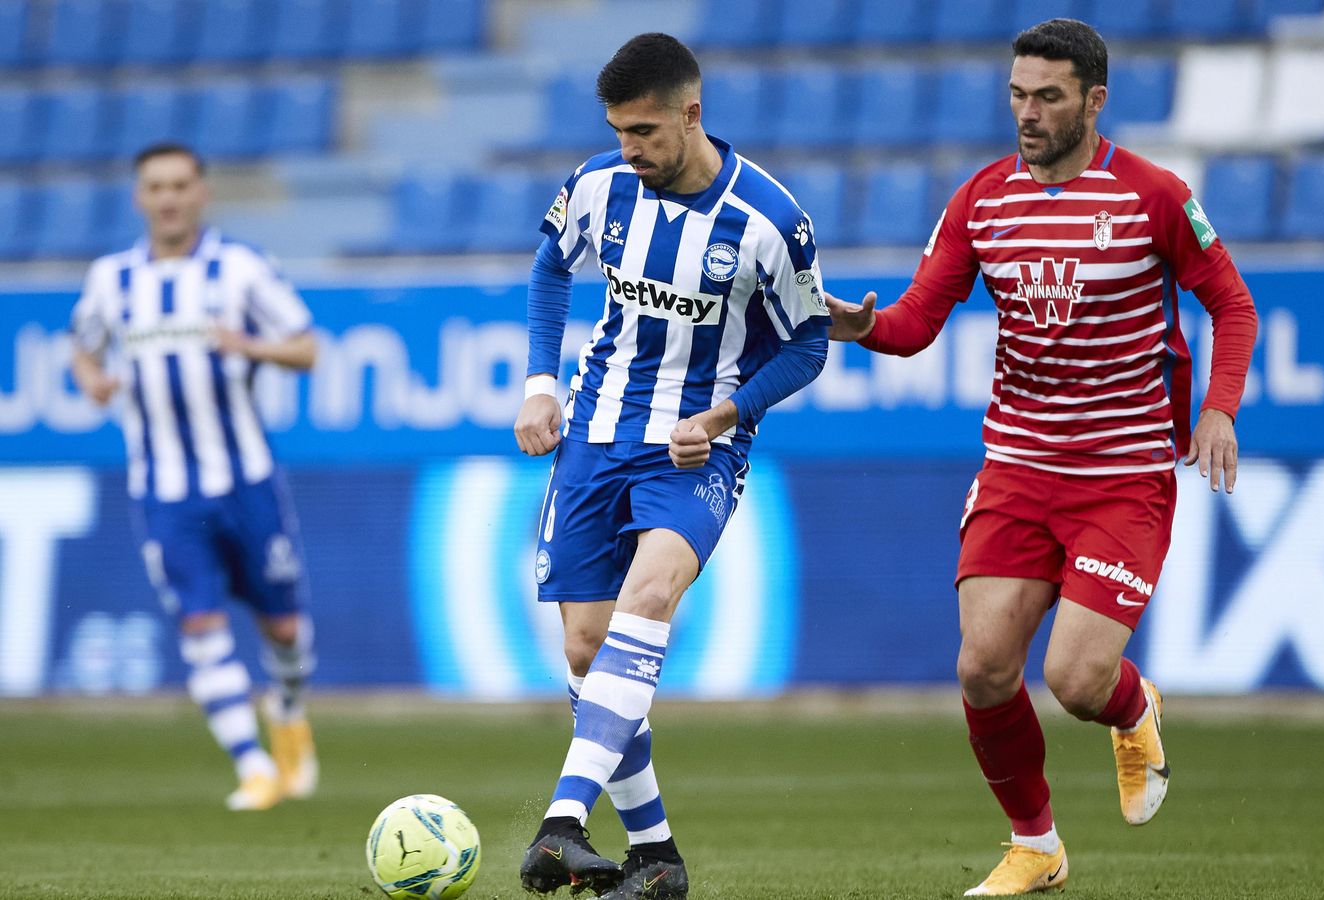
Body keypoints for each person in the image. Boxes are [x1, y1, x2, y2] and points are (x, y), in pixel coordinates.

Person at [826, 19, 1257, 895]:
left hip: (1123, 475)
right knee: (983, 668)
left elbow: (1233, 304)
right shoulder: (981, 199)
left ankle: (1133, 708)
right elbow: (916, 324)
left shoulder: (1154, 195)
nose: (1027, 113)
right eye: (1018, 94)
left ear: (1095, 101)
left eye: (1048, 97)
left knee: (1074, 678)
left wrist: (1218, 411)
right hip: (1019, 467)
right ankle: (1037, 846)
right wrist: (863, 325)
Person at [512, 33, 830, 900]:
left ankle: (562, 823)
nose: (631, 150)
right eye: (619, 131)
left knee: (647, 600)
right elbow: (550, 268)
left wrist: (729, 412)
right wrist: (542, 384)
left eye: (645, 132)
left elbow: (808, 347)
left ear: (692, 114)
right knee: (585, 647)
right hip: (594, 435)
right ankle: (656, 855)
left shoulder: (769, 219)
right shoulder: (599, 185)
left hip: (696, 449)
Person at [69, 143, 319, 811]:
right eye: (156, 187)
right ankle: (253, 766)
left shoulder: (239, 268)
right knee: (200, 625)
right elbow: (81, 346)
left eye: (180, 185)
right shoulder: (111, 280)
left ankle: (289, 717)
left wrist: (250, 346)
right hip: (163, 492)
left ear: (202, 192)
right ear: (139, 198)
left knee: (285, 629)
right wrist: (92, 378)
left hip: (247, 482)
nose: (169, 198)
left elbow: (306, 345)